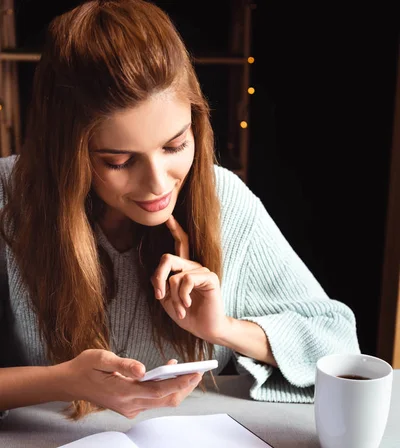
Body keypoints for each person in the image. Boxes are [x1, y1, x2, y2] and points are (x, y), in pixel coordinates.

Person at [0, 0, 359, 422]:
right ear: (65, 152)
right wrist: (64, 381)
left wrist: (223, 328)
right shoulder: (9, 196)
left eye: (175, 146)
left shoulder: (225, 200)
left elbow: (340, 348)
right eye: (118, 161)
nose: (158, 184)